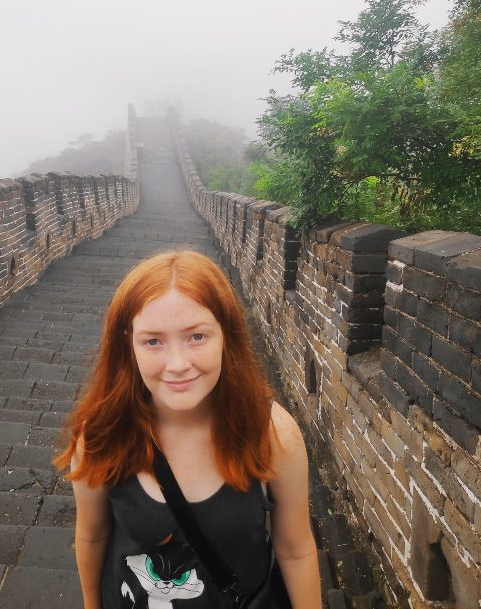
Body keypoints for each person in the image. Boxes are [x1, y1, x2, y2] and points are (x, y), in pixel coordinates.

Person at [54, 250, 322, 609]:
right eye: (153, 341)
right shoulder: (104, 433)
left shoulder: (271, 432)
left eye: (197, 337)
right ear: (127, 343)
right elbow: (92, 535)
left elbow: (296, 549)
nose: (178, 364)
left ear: (226, 335)